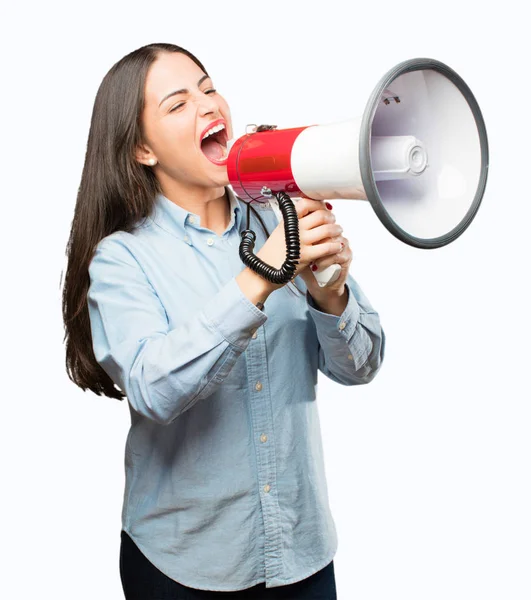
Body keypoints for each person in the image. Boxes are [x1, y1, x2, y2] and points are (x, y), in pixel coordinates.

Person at [61, 42, 385, 599]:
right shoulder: (122, 258)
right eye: (177, 103)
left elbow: (362, 367)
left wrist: (328, 289)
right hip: (183, 566)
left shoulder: (279, 214)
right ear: (142, 148)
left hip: (300, 556)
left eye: (208, 88)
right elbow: (153, 388)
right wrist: (261, 274)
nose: (208, 105)